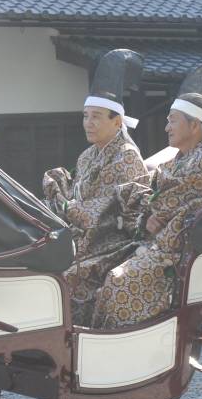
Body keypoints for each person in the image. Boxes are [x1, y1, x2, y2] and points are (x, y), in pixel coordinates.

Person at [90, 92, 202, 329]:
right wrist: (149, 213)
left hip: (178, 251)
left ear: (194, 126)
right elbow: (154, 195)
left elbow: (200, 206)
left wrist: (159, 214)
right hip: (153, 242)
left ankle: (126, 347)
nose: (167, 127)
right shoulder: (174, 162)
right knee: (94, 268)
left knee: (118, 283)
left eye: (173, 120)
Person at [43, 49, 150, 326]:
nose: (88, 123)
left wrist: (69, 207)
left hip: (116, 241)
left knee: (67, 275)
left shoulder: (126, 155)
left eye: (96, 117)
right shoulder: (88, 155)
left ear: (117, 121)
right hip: (84, 235)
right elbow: (77, 197)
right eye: (85, 115)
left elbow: (116, 213)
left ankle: (77, 338)